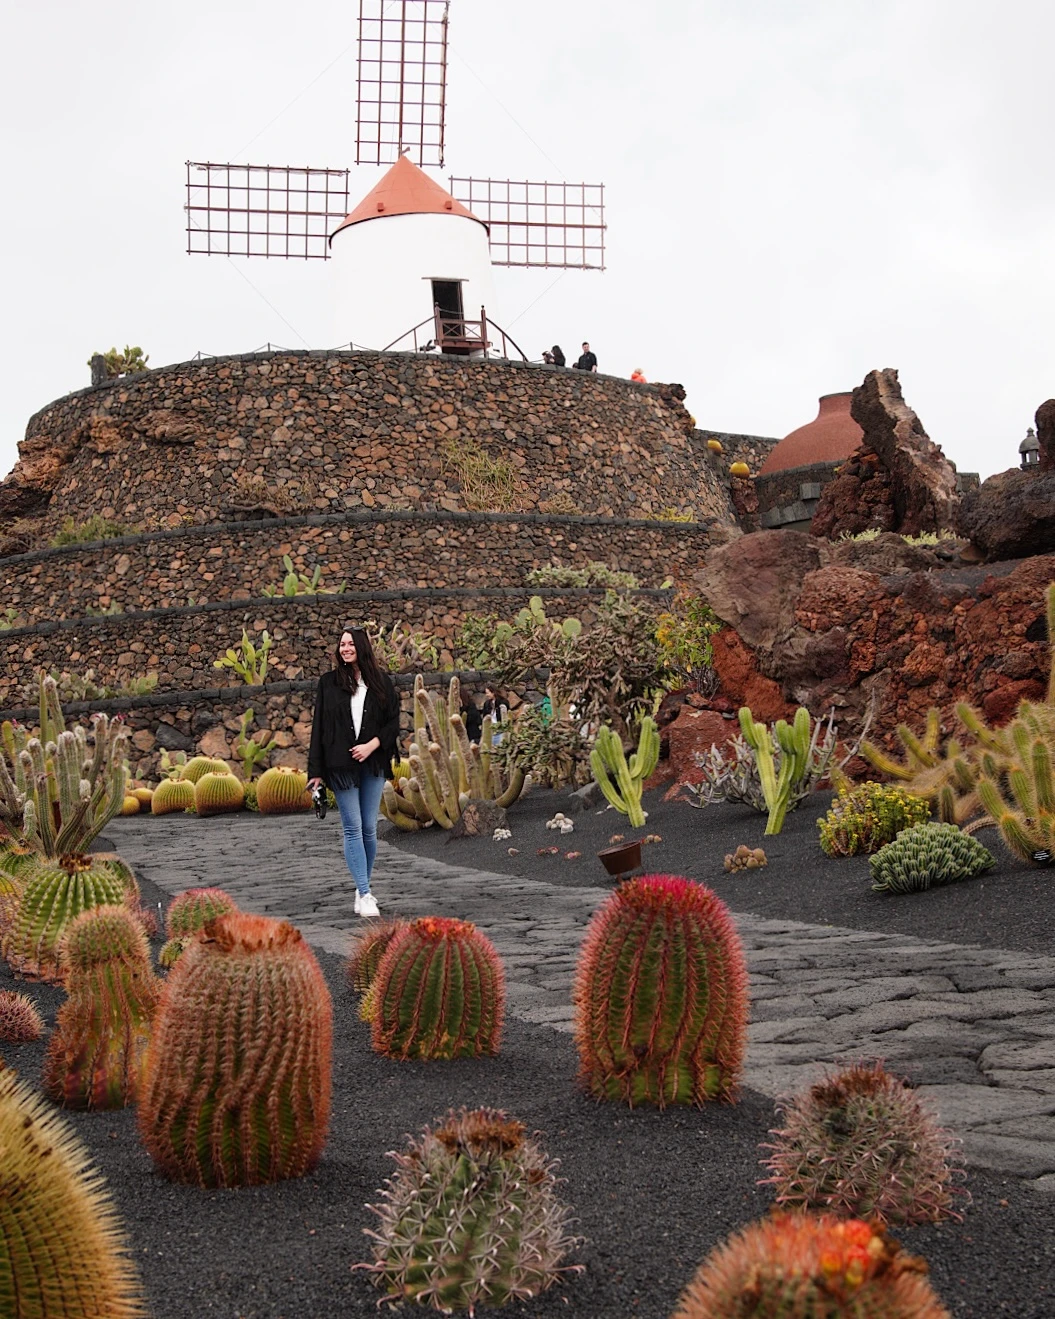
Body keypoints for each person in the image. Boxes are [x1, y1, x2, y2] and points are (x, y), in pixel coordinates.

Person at [307, 626, 400, 919]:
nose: (345, 648)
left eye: (350, 644)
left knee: (370, 829)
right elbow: (319, 727)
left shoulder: (381, 682)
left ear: (361, 647)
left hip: (372, 762)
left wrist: (371, 746)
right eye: (342, 644)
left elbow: (392, 723)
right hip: (340, 765)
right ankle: (364, 892)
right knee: (352, 827)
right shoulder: (328, 683)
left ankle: (364, 885)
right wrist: (315, 772)